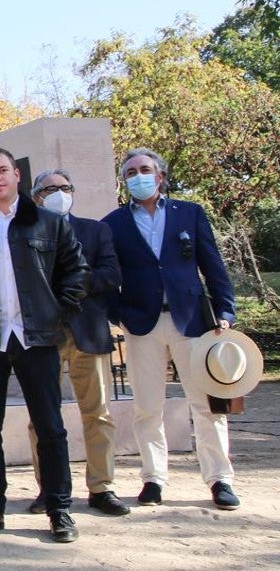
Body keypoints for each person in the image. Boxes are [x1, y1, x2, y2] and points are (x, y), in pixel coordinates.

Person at [0, 145, 89, 544]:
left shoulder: (50, 223)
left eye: (3, 170)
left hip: (37, 340)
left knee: (51, 426)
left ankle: (59, 509)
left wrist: (55, 313)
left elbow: (76, 270)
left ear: (17, 175)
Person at [102, 148, 240, 510]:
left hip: (191, 320)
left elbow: (213, 264)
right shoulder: (113, 223)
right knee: (148, 406)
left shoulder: (190, 213)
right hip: (142, 324)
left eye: (145, 169)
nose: (138, 176)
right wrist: (119, 315)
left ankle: (219, 478)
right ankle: (153, 478)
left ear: (160, 175)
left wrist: (226, 309)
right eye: (131, 172)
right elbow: (106, 278)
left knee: (207, 404)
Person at [25, 169, 129, 517]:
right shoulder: (26, 230)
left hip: (87, 332)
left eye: (64, 187)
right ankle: (48, 488)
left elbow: (112, 275)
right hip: (44, 336)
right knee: (42, 417)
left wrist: (72, 286)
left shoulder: (96, 230)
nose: (58, 193)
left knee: (97, 413)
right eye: (50, 188)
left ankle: (102, 487)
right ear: (37, 196)